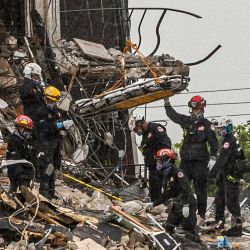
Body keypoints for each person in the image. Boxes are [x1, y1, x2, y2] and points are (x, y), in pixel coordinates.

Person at [163, 96, 219, 220]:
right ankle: (180, 214)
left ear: (202, 109)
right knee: (181, 186)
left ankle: (201, 215)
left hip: (200, 163)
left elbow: (214, 143)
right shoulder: (186, 121)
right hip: (186, 163)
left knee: (200, 190)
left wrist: (213, 157)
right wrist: (167, 102)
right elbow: (174, 116)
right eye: (193, 110)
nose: (195, 112)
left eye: (197, 109)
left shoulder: (207, 125)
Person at [145, 148, 200, 242]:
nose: (157, 163)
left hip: (188, 204)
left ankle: (196, 246)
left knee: (189, 229)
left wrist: (186, 205)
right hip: (177, 204)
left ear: (167, 160)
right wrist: (154, 204)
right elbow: (167, 194)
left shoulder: (178, 173)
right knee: (169, 226)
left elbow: (186, 189)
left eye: (159, 161)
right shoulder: (166, 174)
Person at [36, 85, 74, 199]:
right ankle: (44, 192)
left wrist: (64, 125)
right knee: (47, 166)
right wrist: (60, 125)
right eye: (52, 101)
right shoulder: (42, 111)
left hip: (55, 142)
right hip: (45, 142)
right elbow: (45, 127)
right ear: (46, 99)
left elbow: (59, 122)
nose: (53, 103)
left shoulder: (56, 112)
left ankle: (51, 192)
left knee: (56, 166)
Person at [211, 116, 245, 236]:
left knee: (231, 202)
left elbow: (222, 160)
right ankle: (219, 222)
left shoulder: (229, 141)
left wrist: (212, 174)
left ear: (229, 127)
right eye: (220, 128)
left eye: (223, 128)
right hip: (225, 174)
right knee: (219, 198)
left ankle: (237, 227)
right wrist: (219, 175)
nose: (220, 130)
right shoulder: (225, 140)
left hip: (232, 175)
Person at [128, 114, 171, 202]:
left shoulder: (155, 128)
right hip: (152, 166)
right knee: (153, 188)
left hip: (161, 164)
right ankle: (155, 204)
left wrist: (160, 158)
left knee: (161, 185)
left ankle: (163, 203)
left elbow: (166, 144)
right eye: (135, 131)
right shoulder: (145, 135)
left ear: (140, 123)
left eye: (136, 129)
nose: (137, 132)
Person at [6, 115, 34, 192]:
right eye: (27, 130)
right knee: (16, 197)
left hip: (26, 176)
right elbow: (14, 160)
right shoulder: (13, 140)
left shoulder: (23, 141)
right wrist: (21, 175)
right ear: (20, 128)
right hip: (18, 177)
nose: (28, 133)